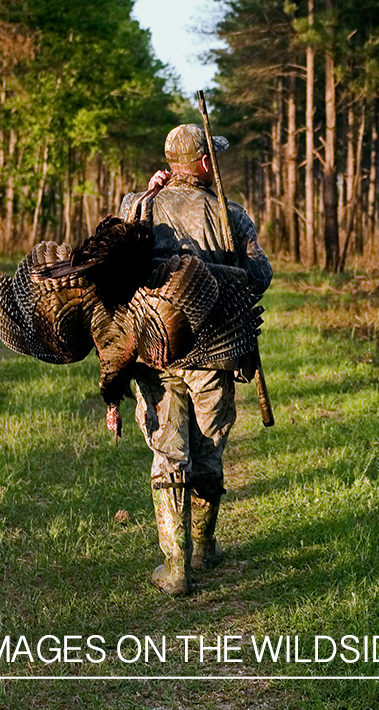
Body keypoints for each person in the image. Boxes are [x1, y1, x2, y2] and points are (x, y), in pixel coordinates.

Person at [119, 123, 272, 596]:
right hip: (215, 354)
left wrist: (144, 199)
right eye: (214, 157)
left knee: (169, 450)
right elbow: (260, 275)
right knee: (208, 448)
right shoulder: (231, 215)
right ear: (203, 163)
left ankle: (175, 565)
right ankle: (204, 547)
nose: (217, 165)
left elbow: (115, 257)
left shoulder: (137, 207)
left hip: (154, 352)